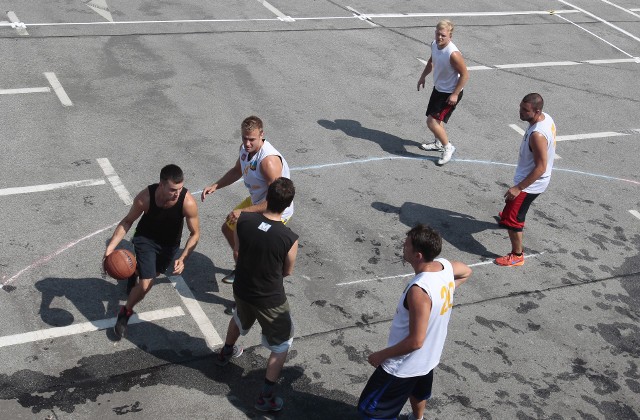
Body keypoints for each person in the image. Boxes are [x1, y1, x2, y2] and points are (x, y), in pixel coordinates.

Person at [358, 224, 472, 420]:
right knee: (418, 393)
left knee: (370, 410)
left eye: (406, 245)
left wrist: (381, 355)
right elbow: (466, 271)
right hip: (428, 360)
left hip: (403, 367)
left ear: (418, 255)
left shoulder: (419, 290)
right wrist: (448, 290)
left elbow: (415, 341)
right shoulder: (444, 267)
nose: (403, 246)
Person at [215, 177, 299, 413]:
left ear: (267, 198)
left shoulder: (244, 220)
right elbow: (288, 271)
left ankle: (225, 352)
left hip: (242, 288)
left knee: (239, 317)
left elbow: (238, 252)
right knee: (281, 344)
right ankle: (266, 396)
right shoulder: (289, 238)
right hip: (270, 298)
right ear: (287, 205)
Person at [104, 164, 200, 339]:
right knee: (147, 283)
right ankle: (125, 313)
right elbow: (127, 222)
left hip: (169, 246)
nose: (177, 193)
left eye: (179, 189)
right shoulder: (145, 198)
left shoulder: (187, 202)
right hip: (145, 239)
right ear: (161, 185)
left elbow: (195, 234)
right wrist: (111, 247)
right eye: (172, 189)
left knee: (149, 274)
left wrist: (183, 257)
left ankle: (135, 271)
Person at [201, 116, 294, 285]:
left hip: (275, 210)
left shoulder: (269, 162)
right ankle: (243, 269)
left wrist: (242, 212)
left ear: (262, 135)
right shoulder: (244, 150)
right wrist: (216, 185)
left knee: (254, 248)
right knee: (229, 227)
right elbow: (237, 170)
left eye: (252, 139)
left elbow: (274, 201)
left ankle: (248, 287)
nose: (247, 143)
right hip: (257, 200)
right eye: (244, 138)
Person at [495, 93, 556, 267]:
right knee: (512, 209)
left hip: (530, 184)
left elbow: (541, 167)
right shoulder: (546, 118)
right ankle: (511, 214)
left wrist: (518, 188)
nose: (520, 112)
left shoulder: (537, 134)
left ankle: (517, 255)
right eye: (521, 107)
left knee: (512, 220)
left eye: (525, 110)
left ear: (537, 111)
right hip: (530, 180)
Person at [417, 19, 469, 166]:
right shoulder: (434, 45)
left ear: (450, 36)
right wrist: (423, 77)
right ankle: (438, 143)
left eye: (443, 36)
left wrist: (455, 94)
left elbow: (465, 74)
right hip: (439, 88)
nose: (439, 38)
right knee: (436, 120)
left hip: (450, 93)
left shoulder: (453, 54)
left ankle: (448, 147)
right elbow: (431, 61)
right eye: (438, 34)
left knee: (431, 121)